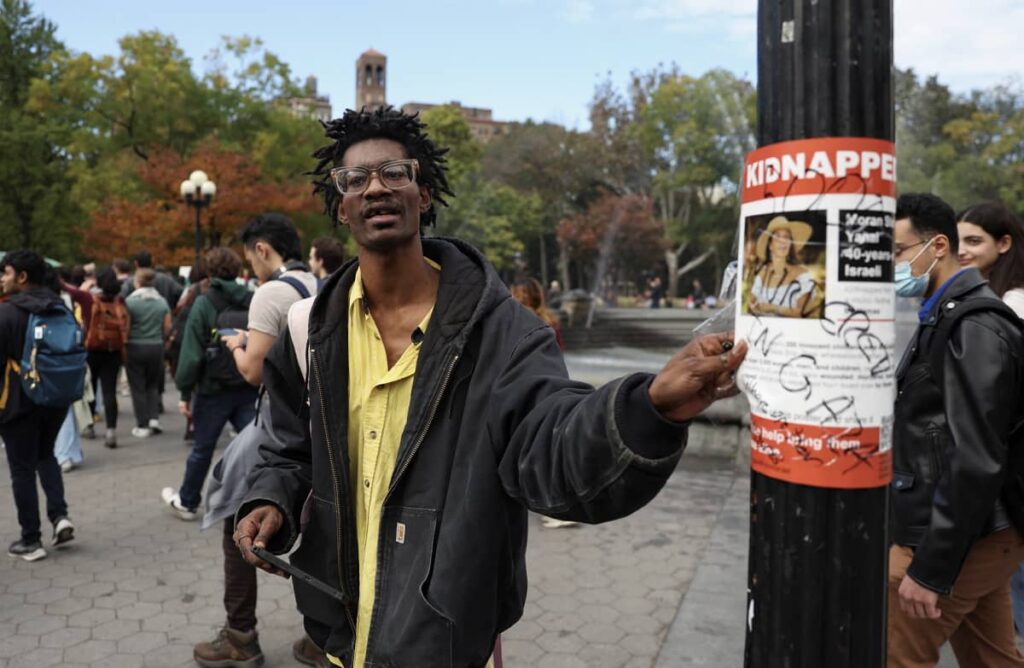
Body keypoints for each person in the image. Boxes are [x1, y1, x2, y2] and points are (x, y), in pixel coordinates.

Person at [232, 106, 747, 667]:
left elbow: (551, 446)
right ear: (340, 206)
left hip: (444, 642)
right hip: (338, 638)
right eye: (355, 179)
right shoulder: (310, 331)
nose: (376, 187)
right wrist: (270, 498)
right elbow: (287, 447)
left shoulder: (503, 333)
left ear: (423, 195)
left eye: (395, 173)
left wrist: (649, 409)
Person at [888, 193, 1024, 667]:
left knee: (895, 657)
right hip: (983, 535)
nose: (893, 265)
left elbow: (976, 456)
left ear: (937, 245)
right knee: (994, 660)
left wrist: (931, 569)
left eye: (899, 252)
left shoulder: (974, 325)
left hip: (960, 542)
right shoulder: (947, 314)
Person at [189, 214, 321, 668]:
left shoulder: (272, 292)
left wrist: (236, 346)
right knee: (323, 529)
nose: (252, 266)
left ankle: (240, 635)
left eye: (251, 255)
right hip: (323, 430)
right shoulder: (321, 284)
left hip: (281, 432)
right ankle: (324, 636)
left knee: (237, 522)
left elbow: (252, 371)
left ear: (262, 249)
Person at [957, 201, 1024, 635]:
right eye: (958, 239)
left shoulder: (1012, 305)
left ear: (1005, 244)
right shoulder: (988, 299)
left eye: (974, 240)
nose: (962, 250)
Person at [162, 247, 258, 520]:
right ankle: (259, 500)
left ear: (210, 272)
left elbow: (191, 353)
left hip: (212, 389)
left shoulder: (204, 303)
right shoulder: (253, 299)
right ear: (239, 271)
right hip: (248, 384)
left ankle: (189, 501)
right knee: (256, 447)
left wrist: (184, 391)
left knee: (202, 448)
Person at [0, 250, 76, 561]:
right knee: (46, 455)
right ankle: (60, 517)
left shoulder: (7, 313)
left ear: (22, 277)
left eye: (5, 273)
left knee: (21, 469)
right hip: (56, 398)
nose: (1, 279)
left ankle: (30, 539)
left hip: (19, 402)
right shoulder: (59, 307)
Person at [124, 268, 171, 438]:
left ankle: (142, 424)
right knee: (152, 384)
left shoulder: (130, 302)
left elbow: (127, 327)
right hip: (156, 345)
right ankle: (154, 419)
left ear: (137, 282)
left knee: (138, 387)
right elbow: (167, 327)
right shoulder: (162, 302)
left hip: (135, 345)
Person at [85, 268, 129, 449]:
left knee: (91, 388)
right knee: (110, 391)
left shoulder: (92, 299)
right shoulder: (120, 301)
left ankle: (89, 425)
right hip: (113, 351)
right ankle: (111, 431)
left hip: (93, 349)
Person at [747, 215, 818, 318]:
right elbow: (750, 303)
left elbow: (802, 312)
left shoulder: (802, 274)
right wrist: (753, 306)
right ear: (770, 245)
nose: (783, 241)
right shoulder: (763, 273)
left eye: (786, 237)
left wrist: (773, 307)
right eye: (777, 237)